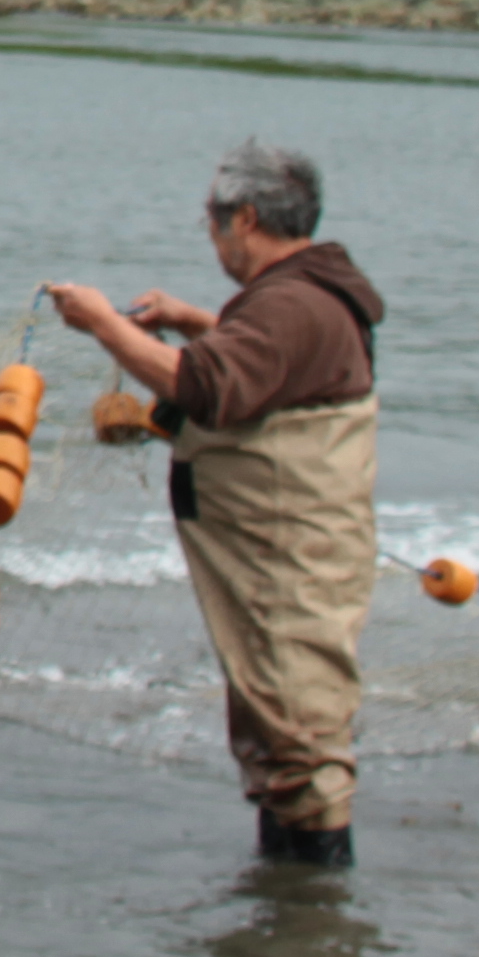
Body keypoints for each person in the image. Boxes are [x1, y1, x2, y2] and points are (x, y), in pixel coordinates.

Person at [46, 141, 389, 871]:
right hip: (295, 547)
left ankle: (315, 909)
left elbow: (203, 386)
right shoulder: (305, 293)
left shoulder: (293, 302)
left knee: (299, 725)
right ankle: (293, 897)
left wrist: (104, 324)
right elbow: (263, 361)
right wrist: (192, 317)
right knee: (281, 719)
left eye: (212, 222)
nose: (211, 237)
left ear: (248, 218)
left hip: (288, 554)